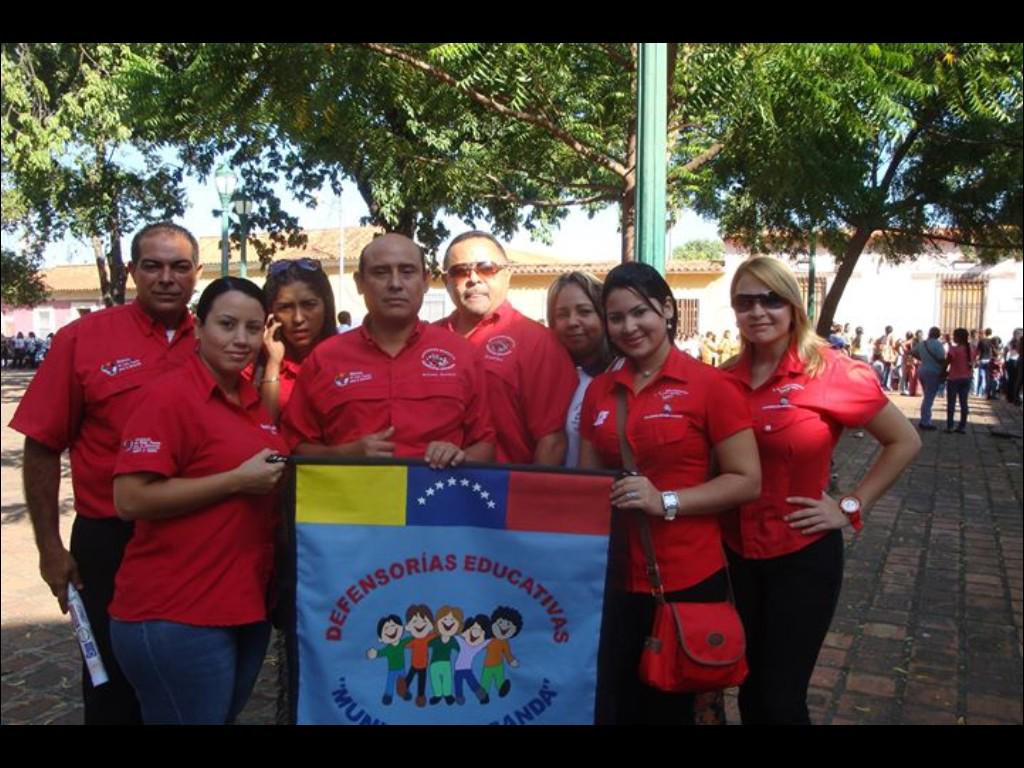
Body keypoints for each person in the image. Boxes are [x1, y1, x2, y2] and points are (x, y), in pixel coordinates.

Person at [9, 222, 202, 724]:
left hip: (200, 541)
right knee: (110, 686)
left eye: (179, 267)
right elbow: (42, 446)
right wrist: (50, 549)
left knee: (193, 678)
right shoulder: (82, 339)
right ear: (131, 271)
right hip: (110, 543)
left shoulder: (218, 338)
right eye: (153, 266)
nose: (166, 278)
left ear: (196, 275)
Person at [720, 256, 920, 724]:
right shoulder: (723, 379)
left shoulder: (831, 371)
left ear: (793, 305)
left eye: (771, 299)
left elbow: (904, 441)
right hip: (733, 555)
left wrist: (850, 505)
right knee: (748, 690)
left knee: (781, 697)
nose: (758, 312)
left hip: (801, 556)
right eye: (745, 301)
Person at [578, 262, 761, 725]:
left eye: (640, 312)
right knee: (616, 702)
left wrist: (667, 501)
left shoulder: (710, 386)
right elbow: (587, 481)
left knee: (677, 707)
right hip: (615, 577)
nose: (628, 327)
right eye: (616, 318)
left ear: (666, 309)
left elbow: (746, 480)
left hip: (687, 578)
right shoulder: (601, 392)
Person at [108, 277, 287, 724]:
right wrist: (234, 481)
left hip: (241, 603)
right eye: (227, 325)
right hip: (175, 610)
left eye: (251, 328)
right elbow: (129, 498)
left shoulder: (247, 398)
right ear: (199, 326)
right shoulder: (170, 396)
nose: (241, 340)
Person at [282, 233, 495, 468]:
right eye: (381, 272)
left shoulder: (463, 355)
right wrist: (345, 455)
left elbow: (485, 444)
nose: (395, 283)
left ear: (425, 281)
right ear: (359, 283)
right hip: (350, 502)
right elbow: (295, 447)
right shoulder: (323, 359)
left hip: (435, 502)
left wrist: (459, 457)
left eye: (407, 271)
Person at [438, 231, 577, 465]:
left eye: (486, 268)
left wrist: (528, 498)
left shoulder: (538, 342)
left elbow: (551, 442)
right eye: (460, 271)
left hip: (503, 494)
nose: (474, 278)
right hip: (430, 490)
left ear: (508, 275)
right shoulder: (427, 341)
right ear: (446, 282)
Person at [251, 258, 337, 421]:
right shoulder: (253, 364)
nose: (298, 318)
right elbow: (265, 428)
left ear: (326, 306)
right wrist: (273, 364)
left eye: (309, 304)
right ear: (271, 313)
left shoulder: (349, 358)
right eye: (285, 307)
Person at [546, 272, 613, 468]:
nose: (572, 322)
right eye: (562, 314)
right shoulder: (545, 379)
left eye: (584, 311)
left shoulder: (621, 376)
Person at [915, 327, 946, 431]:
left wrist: (922, 358)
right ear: (938, 335)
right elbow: (942, 359)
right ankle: (925, 421)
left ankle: (925, 419)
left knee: (927, 396)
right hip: (933, 372)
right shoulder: (938, 345)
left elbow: (912, 352)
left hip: (922, 370)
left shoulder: (922, 343)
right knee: (929, 398)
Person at [945, 327, 973, 433]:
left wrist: (942, 373)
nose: (953, 337)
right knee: (964, 403)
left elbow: (947, 361)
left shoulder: (954, 350)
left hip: (954, 378)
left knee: (951, 403)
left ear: (959, 337)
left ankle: (950, 426)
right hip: (966, 378)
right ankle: (962, 426)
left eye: (955, 336)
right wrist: (949, 343)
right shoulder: (970, 349)